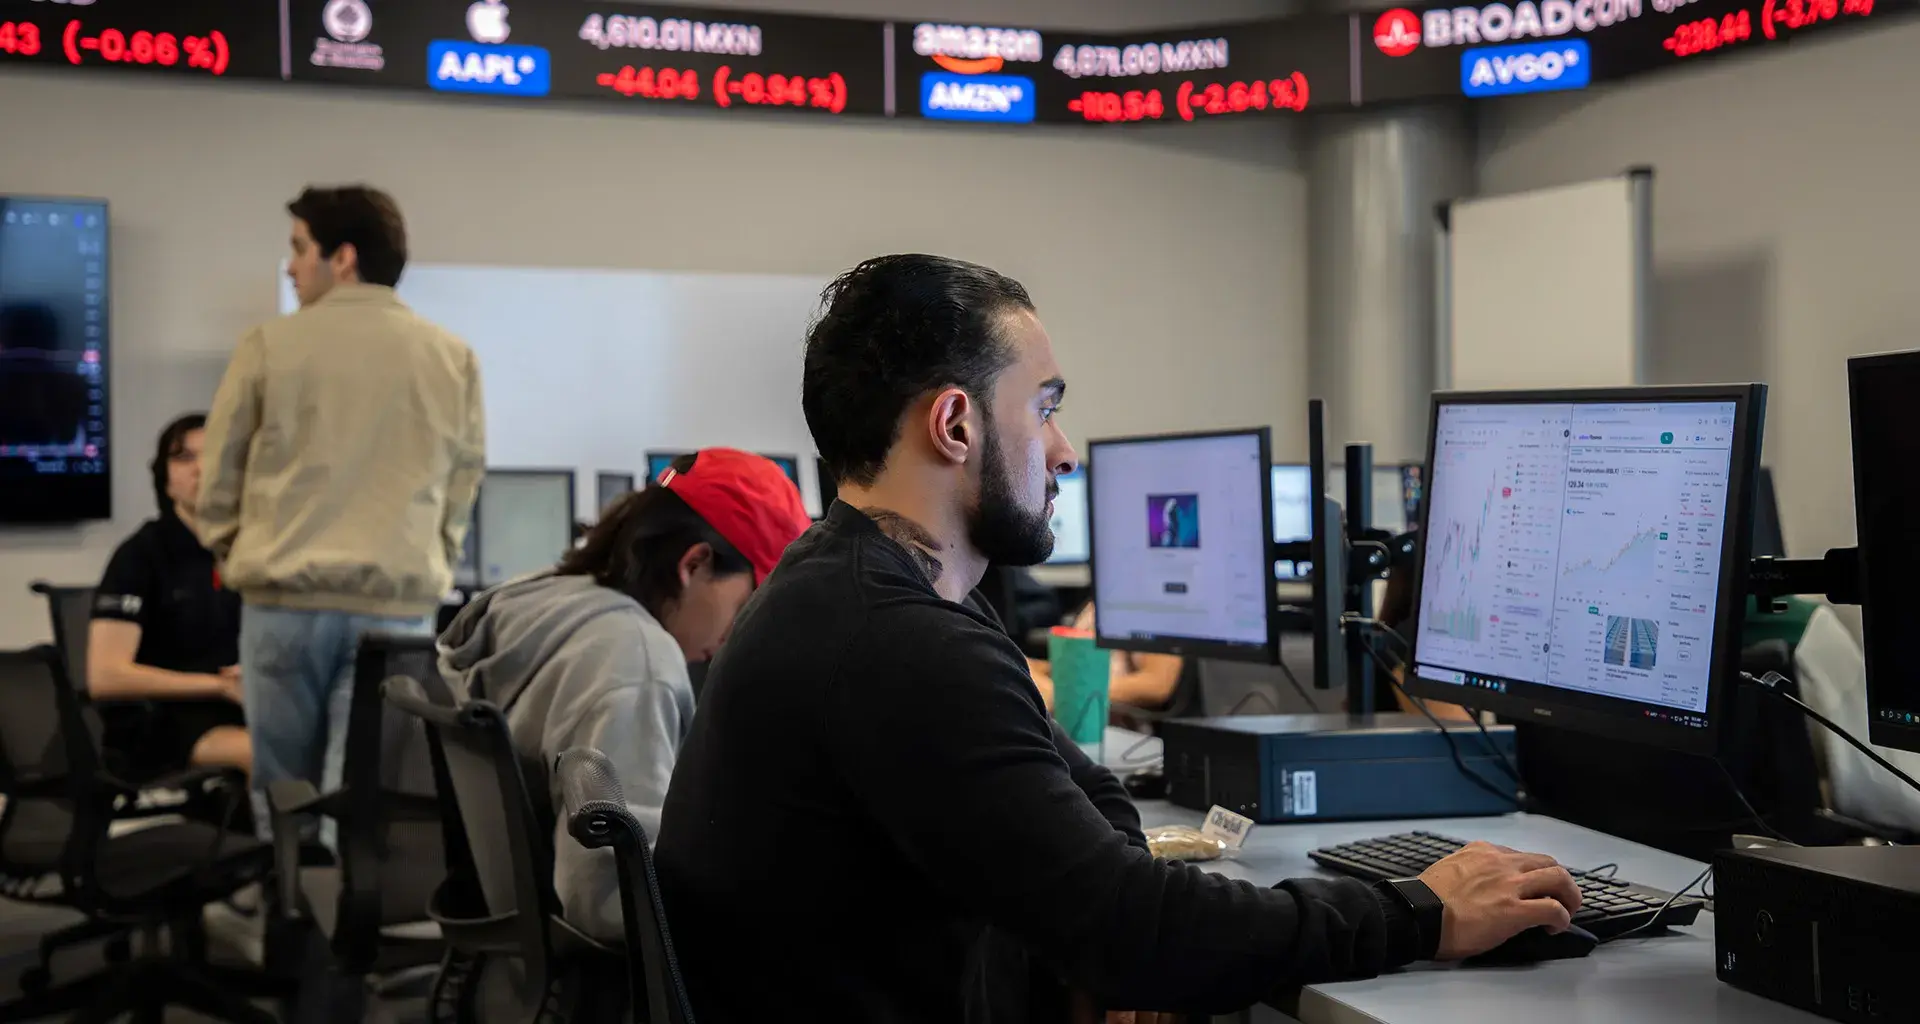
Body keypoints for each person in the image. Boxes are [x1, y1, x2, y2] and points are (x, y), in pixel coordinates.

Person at [657, 254, 1582, 1021]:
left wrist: (1127, 929)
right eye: (1046, 406)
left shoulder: (862, 587)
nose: (1063, 451)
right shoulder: (894, 640)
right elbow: (1133, 927)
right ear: (954, 423)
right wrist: (1423, 910)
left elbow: (1091, 799)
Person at [197, 185, 486, 833]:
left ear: (344, 257)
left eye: (300, 250)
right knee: (362, 800)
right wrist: (431, 561)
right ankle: (344, 927)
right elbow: (462, 482)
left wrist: (238, 551)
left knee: (285, 797)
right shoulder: (451, 357)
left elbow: (218, 479)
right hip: (396, 610)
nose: (292, 267)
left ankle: (290, 921)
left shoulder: (268, 346)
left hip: (283, 606)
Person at [436, 449, 810, 942]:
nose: (739, 634)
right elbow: (613, 899)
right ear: (694, 564)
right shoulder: (636, 661)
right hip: (608, 973)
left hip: (520, 951)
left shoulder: (533, 601)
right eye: (747, 603)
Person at [89, 413, 249, 777]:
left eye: (215, 455)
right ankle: (283, 836)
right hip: (159, 719)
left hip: (237, 707)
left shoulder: (250, 553)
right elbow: (105, 676)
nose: (201, 469)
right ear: (165, 479)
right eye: (184, 458)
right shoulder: (141, 555)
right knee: (266, 755)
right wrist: (220, 687)